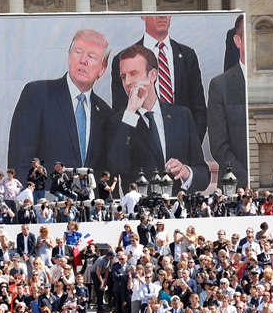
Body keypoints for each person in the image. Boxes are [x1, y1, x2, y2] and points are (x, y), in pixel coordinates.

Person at [7, 29, 114, 178]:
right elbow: (20, 162)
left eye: (91, 56)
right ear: (69, 57)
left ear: (102, 69)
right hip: (46, 199)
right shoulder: (37, 94)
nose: (83, 60)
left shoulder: (105, 113)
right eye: (78, 52)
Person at [107, 44, 210, 195]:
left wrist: (186, 171)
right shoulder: (119, 122)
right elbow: (116, 167)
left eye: (134, 73)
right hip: (141, 212)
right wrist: (130, 112)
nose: (128, 82)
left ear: (153, 75)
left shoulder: (181, 116)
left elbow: (203, 174)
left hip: (178, 210)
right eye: (123, 76)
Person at [110, 15, 207, 143]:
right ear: (143, 15)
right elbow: (121, 110)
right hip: (142, 152)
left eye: (166, 10)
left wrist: (190, 146)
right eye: (155, 11)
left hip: (182, 150)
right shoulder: (123, 60)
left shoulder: (187, 55)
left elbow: (199, 109)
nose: (162, 15)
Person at [208, 14, 249, 189]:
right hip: (234, 186)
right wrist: (249, 179)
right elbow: (219, 146)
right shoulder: (220, 85)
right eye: (249, 38)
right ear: (237, 40)